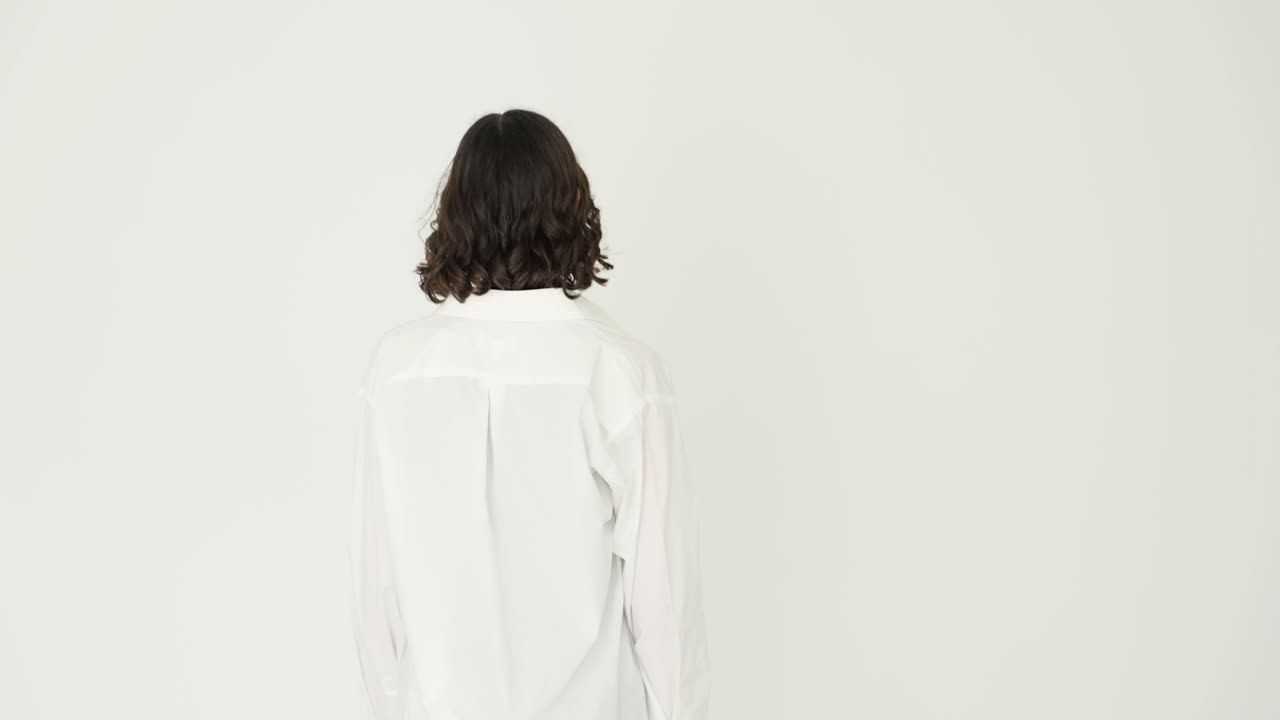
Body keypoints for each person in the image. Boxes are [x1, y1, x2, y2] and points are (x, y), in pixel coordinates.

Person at [349, 109, 710, 720]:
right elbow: (665, 609)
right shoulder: (621, 372)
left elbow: (374, 598)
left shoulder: (398, 369)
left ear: (456, 212)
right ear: (570, 203)